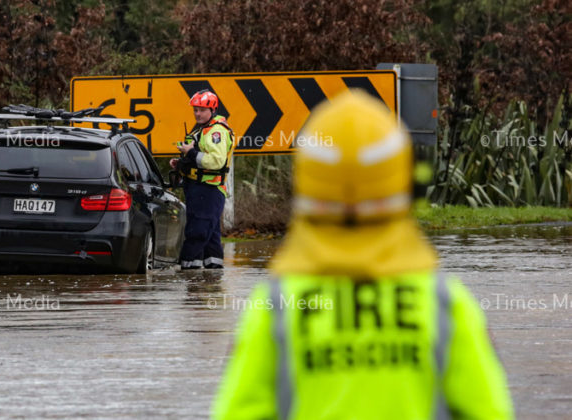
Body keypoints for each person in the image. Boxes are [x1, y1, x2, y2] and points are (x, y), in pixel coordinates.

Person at [212, 91, 513, 419]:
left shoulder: (274, 308)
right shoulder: (446, 305)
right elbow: (491, 411)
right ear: (406, 180)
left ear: (306, 182)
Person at [170, 90, 235, 269]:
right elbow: (200, 157)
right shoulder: (202, 129)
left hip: (209, 188)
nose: (197, 114)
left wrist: (190, 152)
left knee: (197, 232)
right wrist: (182, 163)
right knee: (210, 235)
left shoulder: (216, 132)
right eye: (195, 110)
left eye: (201, 110)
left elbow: (216, 161)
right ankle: (212, 276)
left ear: (212, 110)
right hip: (197, 187)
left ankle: (188, 272)